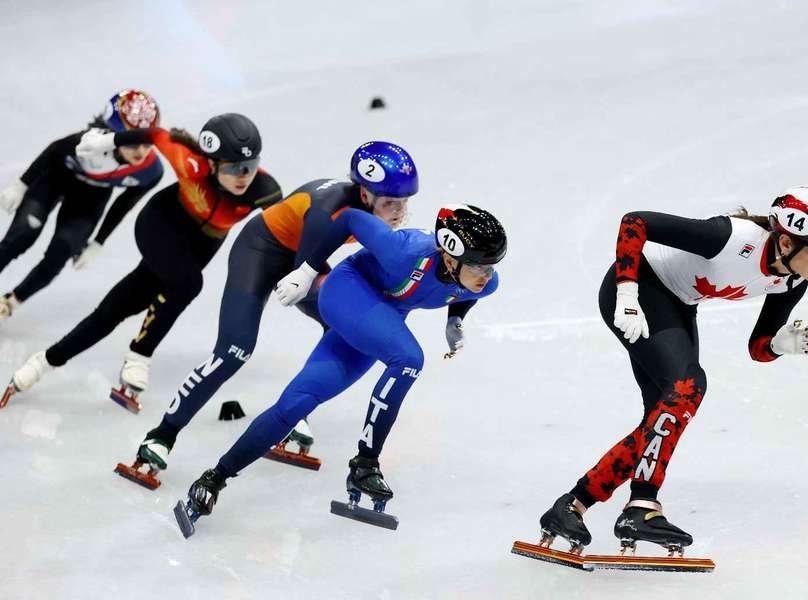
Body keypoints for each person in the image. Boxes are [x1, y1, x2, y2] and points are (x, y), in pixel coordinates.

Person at [536, 185, 808, 556]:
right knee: (688, 385)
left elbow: (757, 348)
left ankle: (571, 506)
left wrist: (778, 347)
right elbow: (635, 222)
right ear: (785, 243)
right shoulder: (732, 238)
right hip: (640, 288)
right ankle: (642, 506)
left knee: (661, 421)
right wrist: (627, 294)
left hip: (678, 305)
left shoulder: (793, 281)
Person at [173, 204, 507, 537]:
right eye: (480, 267)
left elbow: (464, 292)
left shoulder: (484, 283)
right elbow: (349, 218)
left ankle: (214, 477)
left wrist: (455, 318)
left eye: (491, 267)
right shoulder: (403, 251)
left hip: (380, 316)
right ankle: (365, 463)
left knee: (297, 403)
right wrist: (305, 272)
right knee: (408, 359)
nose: (487, 276)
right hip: (346, 290)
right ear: (450, 258)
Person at [118, 141, 419, 489]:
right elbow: (306, 270)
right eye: (390, 203)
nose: (398, 212)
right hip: (260, 253)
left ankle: (294, 411)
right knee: (234, 350)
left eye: (404, 203)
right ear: (364, 195)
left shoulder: (364, 206)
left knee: (340, 327)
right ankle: (162, 434)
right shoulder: (328, 212)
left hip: (302, 259)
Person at [0, 114, 282, 412]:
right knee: (188, 283)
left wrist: (303, 270)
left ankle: (42, 362)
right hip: (159, 224)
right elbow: (156, 134)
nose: (244, 176)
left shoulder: (265, 189)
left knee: (113, 311)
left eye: (250, 166)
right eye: (235, 167)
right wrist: (107, 141)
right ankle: (139, 355)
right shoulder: (189, 161)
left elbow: (285, 231)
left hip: (198, 246)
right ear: (212, 163)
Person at [0, 90, 162, 320]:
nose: (141, 152)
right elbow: (54, 150)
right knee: (21, 236)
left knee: (61, 252)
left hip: (90, 198)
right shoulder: (89, 143)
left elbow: (123, 205)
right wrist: (21, 184)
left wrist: (99, 241)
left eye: (148, 143)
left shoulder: (150, 171)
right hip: (55, 179)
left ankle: (10, 303)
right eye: (133, 143)